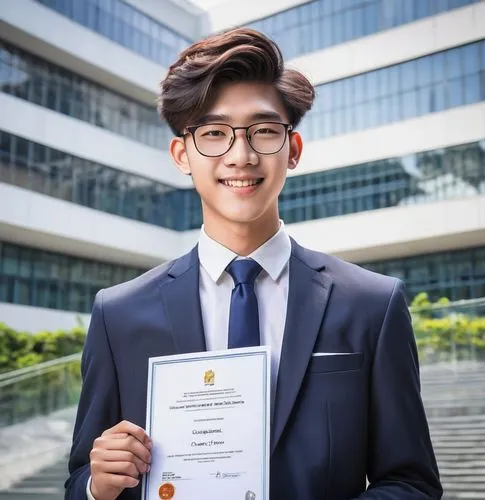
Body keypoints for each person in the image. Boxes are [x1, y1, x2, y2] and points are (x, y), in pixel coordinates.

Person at [65, 28, 442, 500]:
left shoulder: (371, 304)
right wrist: (97, 485)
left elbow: (412, 483)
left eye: (263, 131)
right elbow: (79, 480)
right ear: (183, 155)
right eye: (214, 133)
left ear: (293, 149)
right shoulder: (118, 314)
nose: (240, 156)